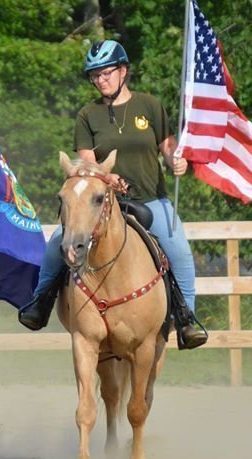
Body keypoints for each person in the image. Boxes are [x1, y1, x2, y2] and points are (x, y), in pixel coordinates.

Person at [17, 40, 207, 348]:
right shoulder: (87, 115)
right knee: (56, 244)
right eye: (95, 76)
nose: (101, 80)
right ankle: (40, 303)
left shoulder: (150, 105)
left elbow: (168, 148)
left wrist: (177, 161)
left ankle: (187, 318)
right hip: (101, 203)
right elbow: (85, 162)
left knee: (179, 250)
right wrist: (107, 178)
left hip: (149, 199)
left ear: (123, 71)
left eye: (106, 73)